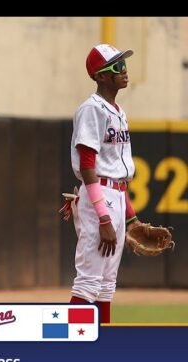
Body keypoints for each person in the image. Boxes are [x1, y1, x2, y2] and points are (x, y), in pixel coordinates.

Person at [69, 44, 140, 323]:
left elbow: (117, 174)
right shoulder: (91, 109)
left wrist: (130, 217)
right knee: (88, 281)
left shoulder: (118, 111)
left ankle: (101, 349)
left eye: (124, 65)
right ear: (100, 76)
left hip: (117, 197)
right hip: (100, 198)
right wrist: (103, 217)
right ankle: (71, 350)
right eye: (117, 66)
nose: (124, 71)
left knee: (106, 284)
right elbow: (88, 166)